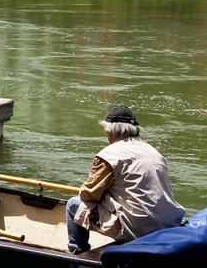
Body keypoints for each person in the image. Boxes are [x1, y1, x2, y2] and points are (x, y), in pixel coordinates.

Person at [65, 105, 185, 254]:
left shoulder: (108, 155)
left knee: (73, 205)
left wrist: (104, 197)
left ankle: (77, 254)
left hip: (137, 229)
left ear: (111, 132)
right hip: (167, 226)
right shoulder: (154, 152)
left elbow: (88, 195)